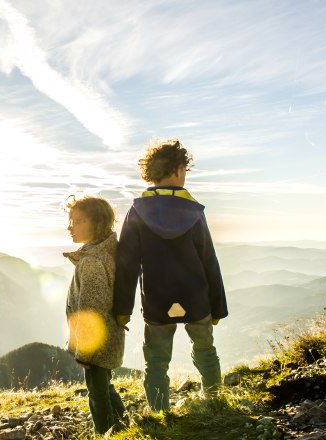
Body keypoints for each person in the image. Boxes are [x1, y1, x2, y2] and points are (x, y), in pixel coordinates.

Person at [113, 138, 228, 412]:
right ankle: (214, 402)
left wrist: (122, 309)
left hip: (156, 299)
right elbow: (209, 261)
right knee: (205, 350)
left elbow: (126, 265)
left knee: (156, 360)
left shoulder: (137, 211)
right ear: (177, 170)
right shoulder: (194, 212)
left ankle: (159, 411)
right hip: (196, 296)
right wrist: (217, 307)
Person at [63, 195, 126, 434]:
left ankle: (106, 432)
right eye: (70, 222)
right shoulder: (106, 252)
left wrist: (86, 352)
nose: (70, 227)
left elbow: (92, 310)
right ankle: (124, 427)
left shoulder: (92, 262)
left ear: (97, 223)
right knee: (105, 387)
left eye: (77, 222)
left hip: (97, 345)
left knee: (97, 393)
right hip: (109, 338)